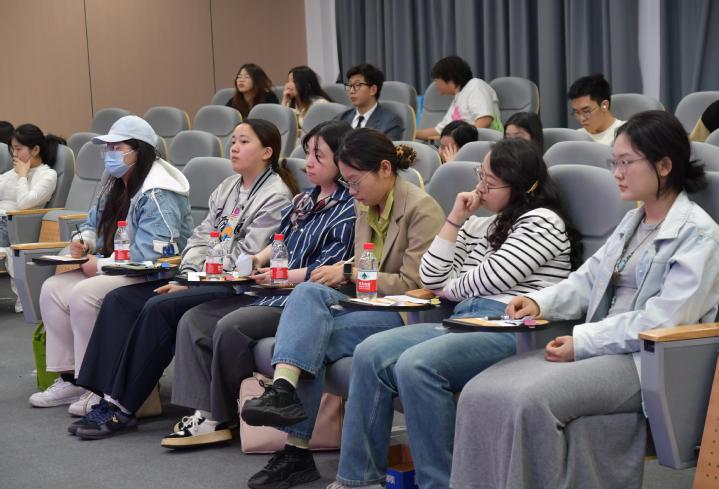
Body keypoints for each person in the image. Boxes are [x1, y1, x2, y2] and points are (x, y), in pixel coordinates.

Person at [450, 111, 719, 489]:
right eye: (614, 162)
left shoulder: (698, 235)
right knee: (479, 392)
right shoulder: (634, 222)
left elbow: (663, 321)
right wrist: (539, 302)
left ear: (664, 165)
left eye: (626, 162)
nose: (617, 173)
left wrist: (584, 341)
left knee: (529, 400)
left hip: (645, 362)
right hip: (602, 346)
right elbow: (587, 280)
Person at [327, 138, 582, 489]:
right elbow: (431, 277)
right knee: (370, 352)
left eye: (491, 182)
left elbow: (488, 279)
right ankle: (359, 480)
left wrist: (449, 286)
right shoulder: (480, 224)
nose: (480, 188)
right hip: (464, 320)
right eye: (481, 176)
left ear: (524, 186)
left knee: (417, 365)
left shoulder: (542, 221)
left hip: (513, 327)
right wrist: (456, 218)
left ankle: (439, 483)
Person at [240, 128, 445, 489]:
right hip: (365, 304)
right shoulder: (365, 204)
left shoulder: (421, 209)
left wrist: (349, 272)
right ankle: (283, 392)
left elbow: (417, 283)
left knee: (309, 342)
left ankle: (296, 450)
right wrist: (347, 270)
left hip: (403, 313)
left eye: (355, 182)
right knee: (307, 293)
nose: (351, 191)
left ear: (385, 169)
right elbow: (366, 263)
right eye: (346, 183)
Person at [68, 119, 296, 438]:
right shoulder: (228, 187)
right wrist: (189, 275)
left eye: (244, 142)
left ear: (266, 152)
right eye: (233, 140)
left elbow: (246, 256)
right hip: (200, 276)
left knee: (158, 307)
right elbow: (200, 237)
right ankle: (102, 394)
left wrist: (193, 280)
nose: (233, 148)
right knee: (119, 299)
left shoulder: (276, 196)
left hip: (236, 286)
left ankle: (122, 406)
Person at [161, 120, 356, 448]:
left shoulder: (348, 208)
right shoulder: (303, 200)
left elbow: (325, 271)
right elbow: (279, 242)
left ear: (342, 161)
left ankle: (219, 416)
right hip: (269, 289)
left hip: (300, 300)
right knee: (194, 320)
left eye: (318, 156)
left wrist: (280, 275)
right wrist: (256, 260)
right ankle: (202, 410)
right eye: (308, 153)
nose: (308, 162)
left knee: (230, 326)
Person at [30, 115, 194, 408]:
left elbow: (153, 254)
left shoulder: (160, 191)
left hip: (155, 275)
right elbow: (92, 223)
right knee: (53, 289)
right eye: (108, 148)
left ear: (139, 151)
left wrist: (100, 266)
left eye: (117, 148)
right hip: (117, 268)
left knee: (84, 293)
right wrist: (85, 241)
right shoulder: (116, 183)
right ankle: (72, 379)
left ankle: (97, 384)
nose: (110, 154)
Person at [0, 124, 63, 246]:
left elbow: (24, 203)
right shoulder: (15, 171)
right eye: (13, 149)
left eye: (18, 149)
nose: (14, 154)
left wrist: (22, 176)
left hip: (11, 225)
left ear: (35, 150)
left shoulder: (48, 175)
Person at [416, 55, 503, 141]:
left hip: (484, 144)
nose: (436, 85)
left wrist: (462, 141)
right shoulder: (458, 97)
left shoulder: (475, 86)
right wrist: (412, 133)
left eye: (437, 81)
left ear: (450, 79)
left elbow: (485, 119)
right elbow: (438, 131)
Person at [334, 64, 404, 140]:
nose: (351, 91)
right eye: (350, 85)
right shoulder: (340, 118)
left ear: (373, 90)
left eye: (357, 85)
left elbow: (387, 147)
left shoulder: (390, 122)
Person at [568, 73, 624, 146]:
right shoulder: (576, 137)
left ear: (604, 105)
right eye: (577, 112)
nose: (582, 119)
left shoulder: (627, 134)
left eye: (586, 111)